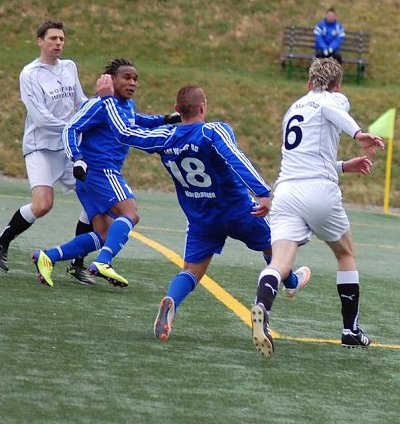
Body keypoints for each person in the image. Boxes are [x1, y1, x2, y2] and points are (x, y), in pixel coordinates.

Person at [97, 83, 311, 340]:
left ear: (177, 110)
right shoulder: (213, 131)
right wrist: (262, 192)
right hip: (238, 212)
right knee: (277, 251)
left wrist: (108, 99)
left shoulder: (166, 137)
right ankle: (291, 283)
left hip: (201, 219)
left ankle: (171, 300)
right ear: (203, 107)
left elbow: (123, 134)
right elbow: (235, 157)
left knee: (191, 271)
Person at [250, 57, 384, 358]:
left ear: (309, 83)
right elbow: (330, 108)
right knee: (345, 254)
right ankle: (350, 330)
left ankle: (263, 309)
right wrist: (359, 134)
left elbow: (308, 156)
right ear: (336, 85)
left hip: (285, 191)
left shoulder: (292, 109)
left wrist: (344, 166)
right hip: (318, 191)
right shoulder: (334, 99)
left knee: (280, 262)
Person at [30, 58, 180, 288]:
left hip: (93, 177)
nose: (132, 83)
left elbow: (135, 121)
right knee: (131, 213)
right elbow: (71, 128)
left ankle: (48, 257)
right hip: (100, 171)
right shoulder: (98, 104)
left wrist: (164, 120)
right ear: (111, 80)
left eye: (135, 79)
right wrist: (77, 158)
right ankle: (104, 262)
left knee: (102, 234)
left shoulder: (126, 105)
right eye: (127, 78)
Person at [0, 20, 96, 284]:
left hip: (68, 147)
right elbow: (42, 118)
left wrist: (99, 111)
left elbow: (80, 102)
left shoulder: (70, 67)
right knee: (43, 205)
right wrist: (74, 126)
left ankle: (77, 263)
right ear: (40, 41)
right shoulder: (29, 74)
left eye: (61, 38)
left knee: (94, 201)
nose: (58, 43)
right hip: (41, 147)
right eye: (53, 39)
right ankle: (1, 242)